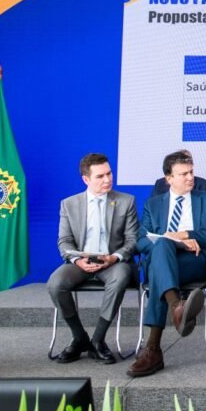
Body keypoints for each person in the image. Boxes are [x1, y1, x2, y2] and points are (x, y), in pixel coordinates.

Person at [127, 151, 206, 377]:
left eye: (191, 172)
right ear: (168, 178)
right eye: (183, 174)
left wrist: (185, 235)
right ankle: (176, 308)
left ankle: (153, 350)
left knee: (159, 271)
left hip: (196, 260)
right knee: (162, 246)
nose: (190, 177)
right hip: (165, 259)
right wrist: (169, 241)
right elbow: (141, 241)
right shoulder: (153, 204)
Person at [47, 153, 139, 365]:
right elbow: (64, 241)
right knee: (55, 284)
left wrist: (113, 258)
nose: (107, 179)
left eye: (109, 173)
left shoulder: (126, 201)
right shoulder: (69, 204)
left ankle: (98, 340)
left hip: (113, 262)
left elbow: (133, 240)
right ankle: (79, 337)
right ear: (86, 179)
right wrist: (77, 261)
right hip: (81, 262)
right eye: (100, 176)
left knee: (120, 277)